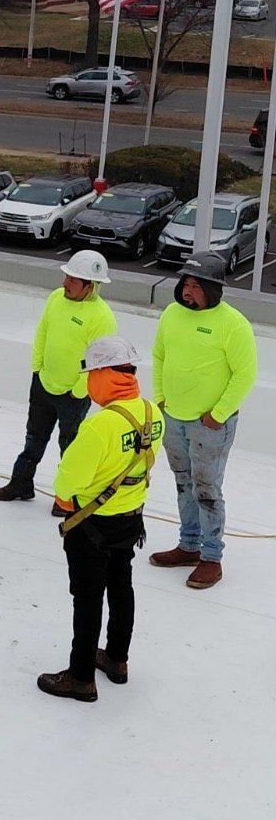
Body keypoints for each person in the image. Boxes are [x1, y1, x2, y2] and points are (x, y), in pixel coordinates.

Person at [37, 336, 163, 702]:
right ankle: (117, 660)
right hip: (130, 518)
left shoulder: (99, 426)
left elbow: (66, 483)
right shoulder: (152, 413)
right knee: (121, 588)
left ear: (104, 375)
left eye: (92, 374)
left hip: (91, 525)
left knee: (88, 598)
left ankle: (80, 678)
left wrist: (67, 498)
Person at [149, 251, 258, 591]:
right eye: (186, 283)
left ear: (213, 288)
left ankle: (211, 557)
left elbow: (245, 374)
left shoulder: (233, 323)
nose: (188, 290)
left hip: (209, 426)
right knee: (184, 483)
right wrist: (161, 398)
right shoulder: (171, 314)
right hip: (173, 417)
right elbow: (159, 356)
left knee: (207, 488)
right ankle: (189, 545)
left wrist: (218, 414)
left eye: (196, 286)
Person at [0, 250, 116, 510]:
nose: (65, 283)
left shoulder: (102, 317)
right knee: (33, 439)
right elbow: (42, 332)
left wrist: (78, 392)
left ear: (90, 286)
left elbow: (98, 361)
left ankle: (66, 498)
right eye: (66, 277)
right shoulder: (56, 298)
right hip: (44, 384)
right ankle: (21, 483)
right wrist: (37, 369)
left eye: (72, 280)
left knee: (70, 449)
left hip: (73, 395)